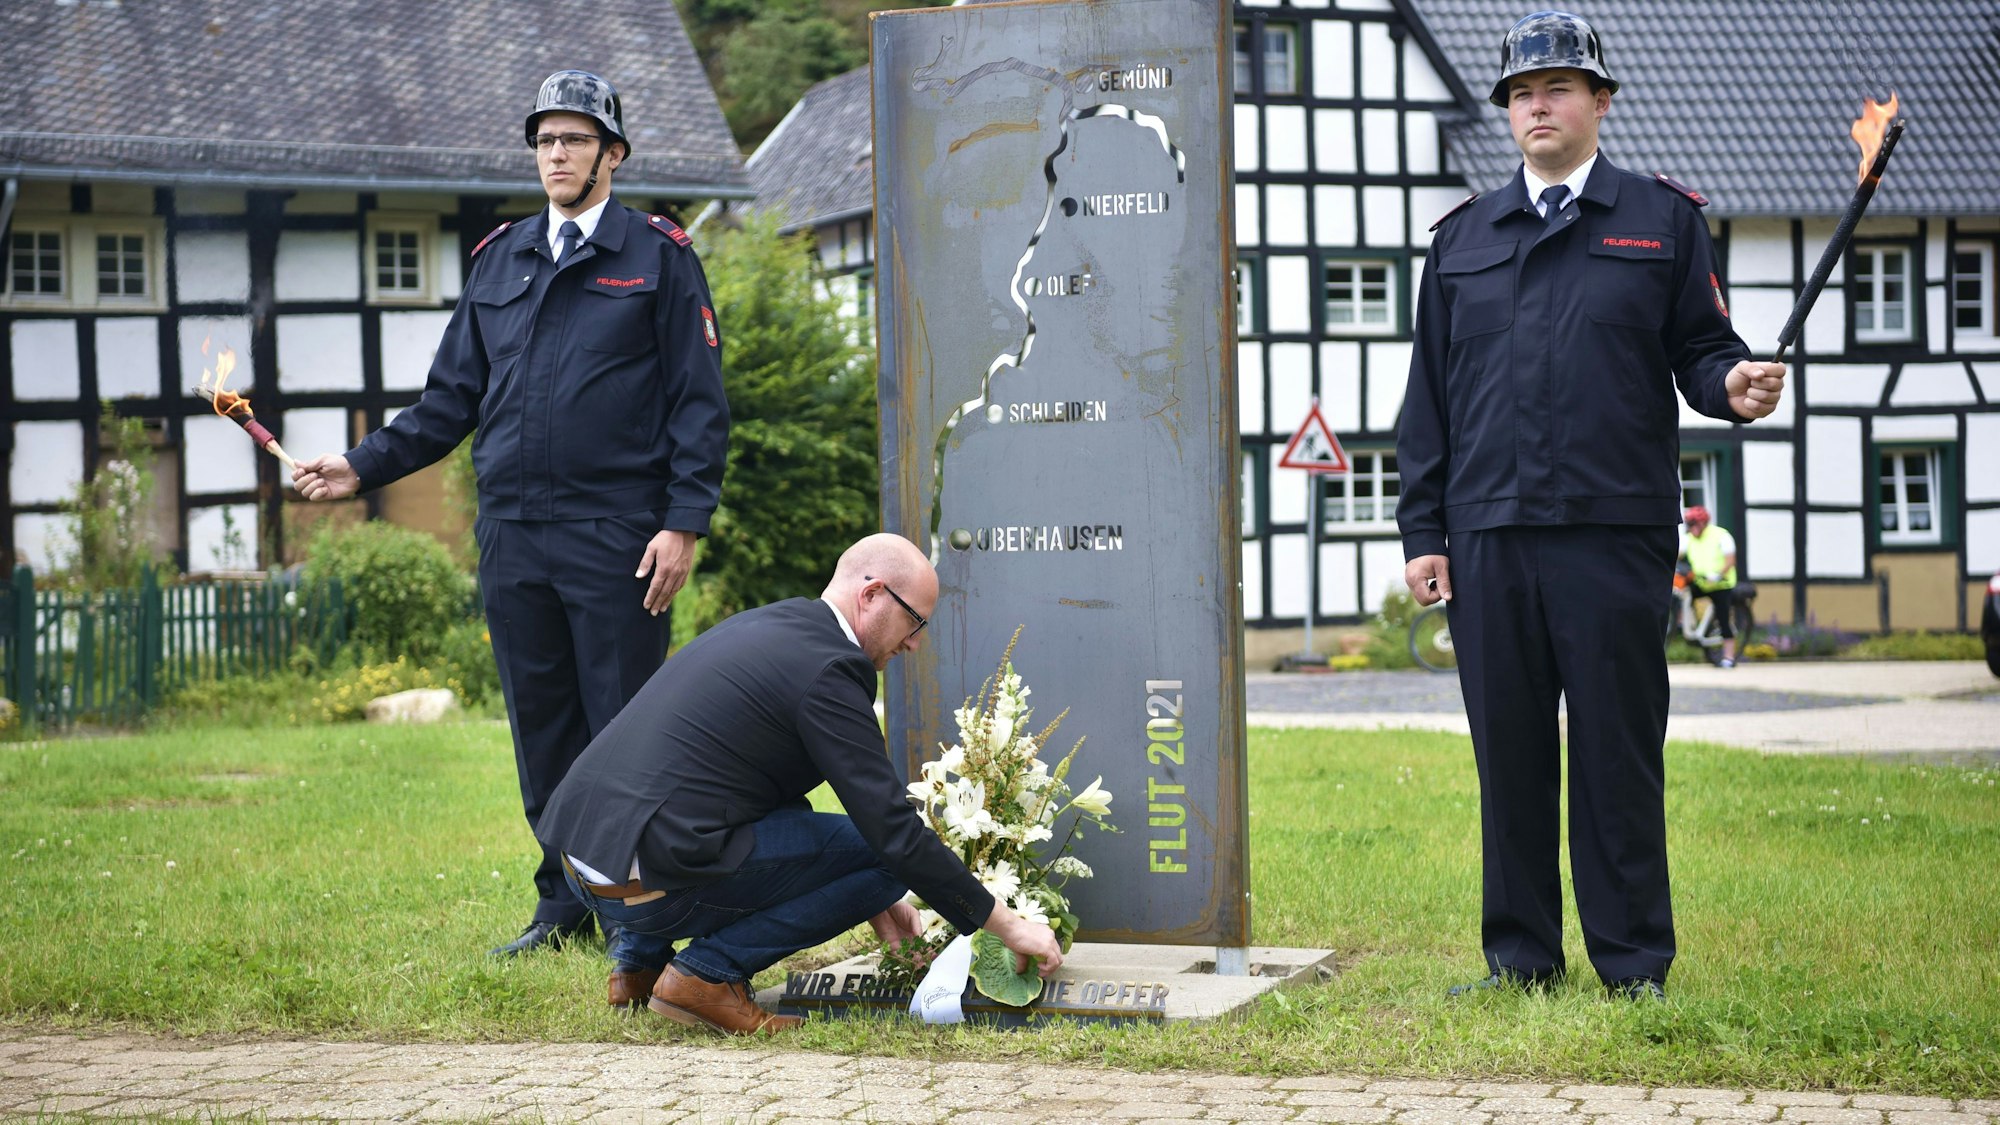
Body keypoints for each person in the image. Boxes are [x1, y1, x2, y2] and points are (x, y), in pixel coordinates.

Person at [292, 70, 730, 957]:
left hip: (619, 534)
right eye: (544, 140)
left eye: (574, 139)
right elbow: (447, 403)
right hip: (514, 535)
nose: (556, 155)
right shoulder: (501, 257)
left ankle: (639, 915)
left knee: (625, 728)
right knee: (543, 729)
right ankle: (564, 902)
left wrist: (683, 523)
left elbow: (698, 403)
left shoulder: (660, 255)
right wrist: (359, 466)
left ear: (612, 153)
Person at [1395, 11, 1786, 1001]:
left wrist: (1729, 382)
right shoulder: (1460, 239)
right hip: (1486, 540)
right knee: (1510, 762)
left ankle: (1631, 965)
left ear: (1597, 101)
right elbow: (1426, 402)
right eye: (1521, 92)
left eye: (1557, 87)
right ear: (1506, 113)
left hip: (1613, 537)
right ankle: (1519, 961)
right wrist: (1420, 532)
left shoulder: (1660, 221)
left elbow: (1701, 349)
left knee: (1614, 756)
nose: (1537, 103)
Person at [535, 533, 1065, 1033]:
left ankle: (636, 967)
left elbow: (770, 794)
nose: (914, 645)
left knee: (815, 833)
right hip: (648, 885)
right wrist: (1009, 926)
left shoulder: (775, 625)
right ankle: (707, 975)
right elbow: (893, 832)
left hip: (586, 863)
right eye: (914, 623)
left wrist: (874, 903)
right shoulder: (831, 669)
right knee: (885, 860)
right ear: (873, 594)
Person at [1678, 506, 1741, 668]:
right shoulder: (1689, 538)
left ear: (1703, 523)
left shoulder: (1721, 535)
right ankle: (1689, 626)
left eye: (1693, 524)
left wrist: (1718, 575)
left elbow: (1730, 560)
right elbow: (1678, 554)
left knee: (1723, 618)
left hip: (1720, 583)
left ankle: (1728, 657)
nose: (1691, 528)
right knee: (1682, 594)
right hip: (1702, 582)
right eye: (1689, 525)